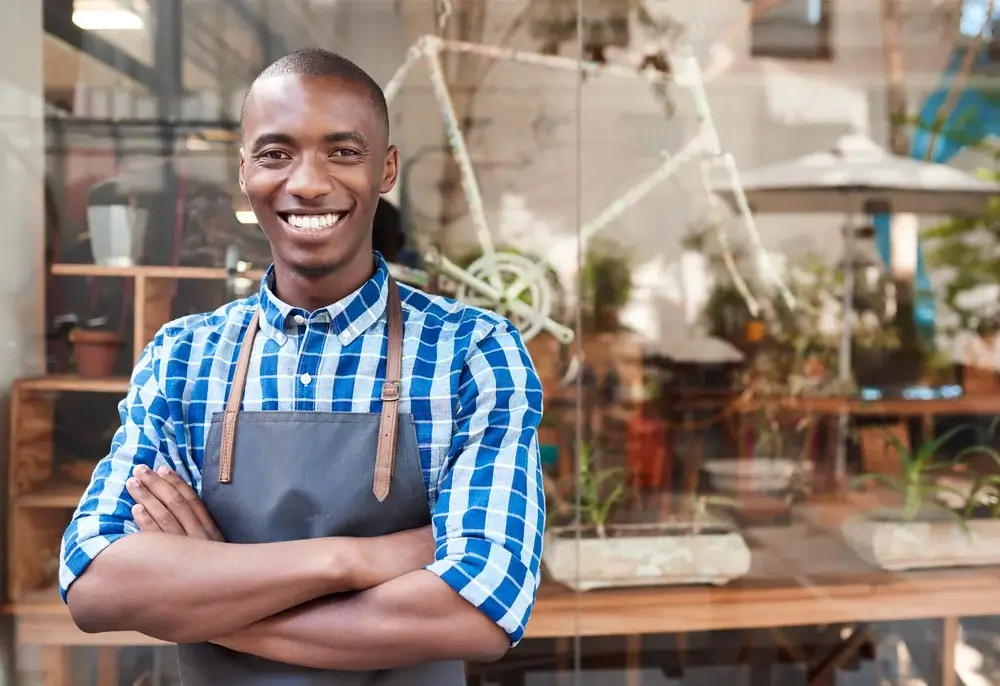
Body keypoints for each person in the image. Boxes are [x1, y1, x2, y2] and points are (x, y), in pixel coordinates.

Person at [59, 47, 545, 685]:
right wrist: (348, 562)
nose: (309, 182)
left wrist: (200, 599)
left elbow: (480, 611)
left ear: (386, 168)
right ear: (243, 171)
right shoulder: (182, 358)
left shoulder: (473, 353)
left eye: (343, 151)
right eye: (275, 153)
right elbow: (96, 584)